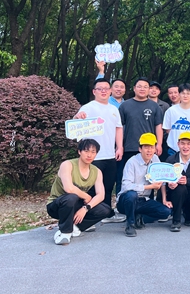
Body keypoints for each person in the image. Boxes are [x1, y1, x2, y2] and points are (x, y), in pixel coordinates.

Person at [73, 78, 124, 222]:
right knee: (90, 188)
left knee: (108, 186)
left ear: (110, 91)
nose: (103, 91)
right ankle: (88, 216)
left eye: (106, 89)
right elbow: (75, 124)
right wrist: (77, 117)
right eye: (100, 89)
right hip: (92, 157)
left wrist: (119, 147)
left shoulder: (114, 109)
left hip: (110, 155)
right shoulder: (88, 107)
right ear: (94, 91)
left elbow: (118, 128)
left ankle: (106, 214)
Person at [46, 139, 114, 245]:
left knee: (106, 210)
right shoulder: (67, 165)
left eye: (93, 152)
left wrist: (85, 208)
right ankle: (64, 232)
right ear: (79, 151)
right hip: (57, 205)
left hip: (77, 204)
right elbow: (69, 188)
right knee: (71, 197)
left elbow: (101, 195)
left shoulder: (97, 171)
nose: (89, 155)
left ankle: (75, 226)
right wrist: (86, 196)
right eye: (86, 151)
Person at [117, 133, 172, 237]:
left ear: (155, 149)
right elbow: (126, 186)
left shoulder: (155, 159)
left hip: (143, 200)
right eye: (146, 147)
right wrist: (150, 187)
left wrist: (164, 200)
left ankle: (139, 217)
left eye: (151, 147)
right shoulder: (132, 162)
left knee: (166, 212)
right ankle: (130, 224)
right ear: (140, 149)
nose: (149, 150)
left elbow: (162, 181)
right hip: (126, 200)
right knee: (132, 195)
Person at [117, 77, 163, 193]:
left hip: (149, 148)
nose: (142, 89)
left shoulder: (154, 106)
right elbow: (119, 127)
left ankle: (147, 200)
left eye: (145, 87)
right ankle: (122, 200)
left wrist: (159, 144)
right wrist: (119, 146)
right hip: (129, 146)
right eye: (139, 86)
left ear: (149, 89)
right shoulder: (125, 105)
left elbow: (158, 126)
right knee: (126, 176)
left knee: (148, 177)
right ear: (134, 88)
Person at [160, 132, 190, 231]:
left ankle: (188, 214)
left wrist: (187, 181)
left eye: (189, 144)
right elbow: (164, 181)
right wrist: (170, 184)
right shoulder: (171, 160)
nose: (185, 147)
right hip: (176, 193)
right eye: (182, 143)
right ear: (178, 144)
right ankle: (176, 220)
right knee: (179, 188)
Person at [162, 83, 190, 156]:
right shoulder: (171, 111)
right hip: (173, 149)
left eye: (188, 93)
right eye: (183, 93)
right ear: (179, 94)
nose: (185, 96)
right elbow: (167, 129)